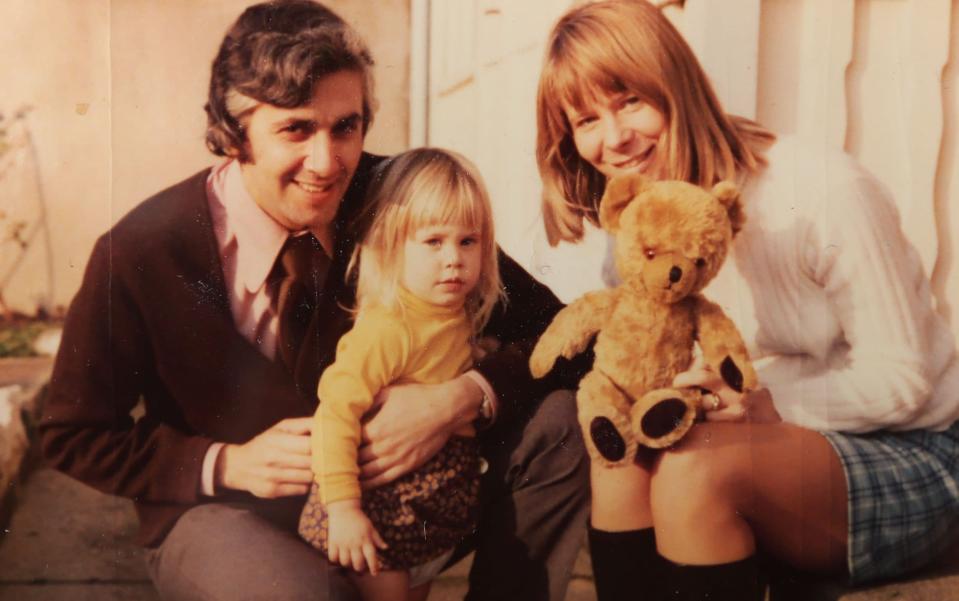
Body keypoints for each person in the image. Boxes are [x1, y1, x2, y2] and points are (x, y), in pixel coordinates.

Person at [38, 2, 589, 600]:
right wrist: (220, 463)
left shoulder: (401, 201)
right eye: (296, 129)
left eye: (346, 127)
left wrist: (459, 398)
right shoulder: (142, 251)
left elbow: (562, 332)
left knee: (560, 426)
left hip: (413, 497)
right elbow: (74, 433)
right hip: (231, 518)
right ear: (233, 131)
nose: (328, 164)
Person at [531, 1, 959, 600]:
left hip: (914, 448)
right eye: (586, 121)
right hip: (755, 436)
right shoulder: (642, 220)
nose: (616, 139)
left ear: (675, 83)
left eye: (630, 100)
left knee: (693, 467)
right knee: (620, 455)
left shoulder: (819, 189)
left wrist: (766, 403)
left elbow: (905, 379)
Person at [298, 148, 503, 601]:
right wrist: (345, 509)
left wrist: (479, 355)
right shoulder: (387, 329)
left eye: (467, 241)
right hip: (380, 506)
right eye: (433, 242)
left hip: (427, 506)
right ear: (394, 246)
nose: (453, 258)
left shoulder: (455, 312)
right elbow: (334, 416)